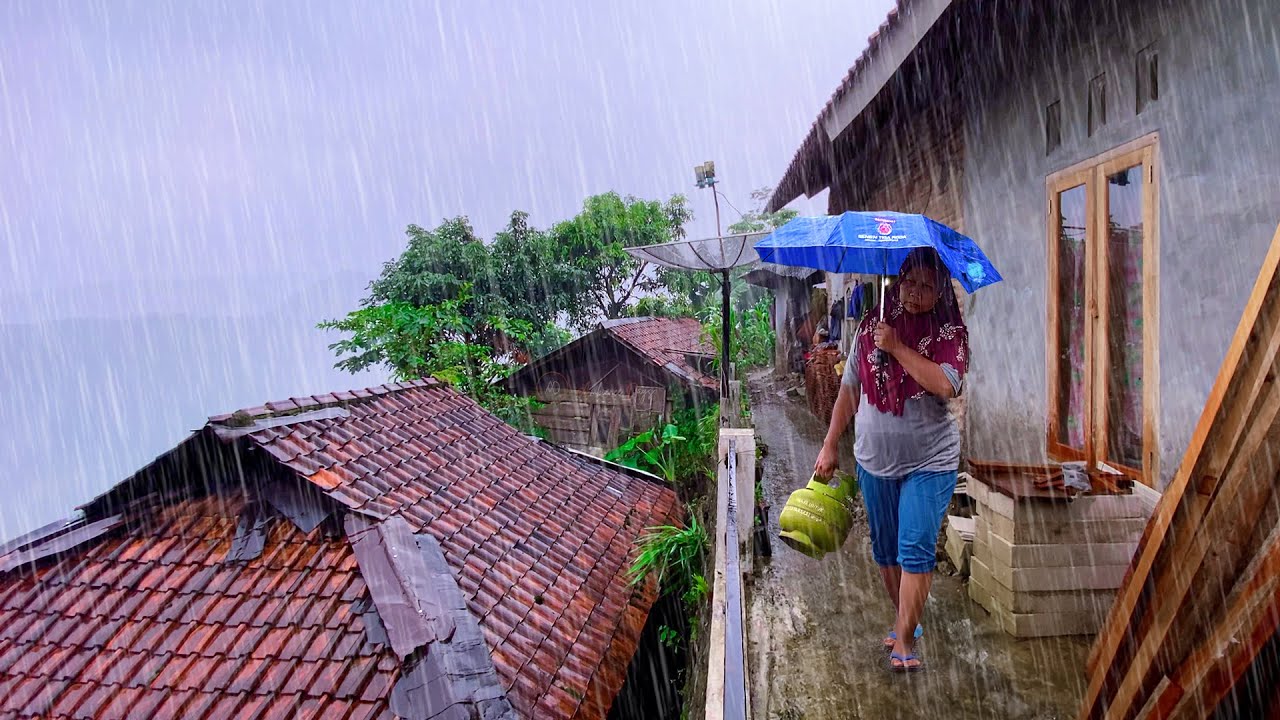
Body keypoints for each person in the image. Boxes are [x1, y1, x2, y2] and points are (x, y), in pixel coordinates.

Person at [812, 247, 968, 672]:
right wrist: (829, 444)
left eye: (927, 286)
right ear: (898, 281)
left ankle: (903, 643)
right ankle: (907, 622)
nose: (915, 293)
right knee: (886, 553)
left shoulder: (948, 333)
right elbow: (849, 389)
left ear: (940, 292)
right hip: (873, 460)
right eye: (910, 282)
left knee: (914, 548)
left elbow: (945, 383)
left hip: (929, 460)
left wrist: (897, 346)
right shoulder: (869, 326)